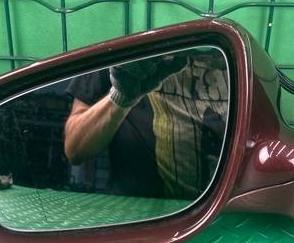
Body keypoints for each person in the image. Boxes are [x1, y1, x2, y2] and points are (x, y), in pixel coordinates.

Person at [64, 49, 229, 200]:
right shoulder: (122, 41)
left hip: (221, 209)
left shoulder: (234, 54)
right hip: (138, 213)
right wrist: (120, 97)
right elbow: (75, 147)